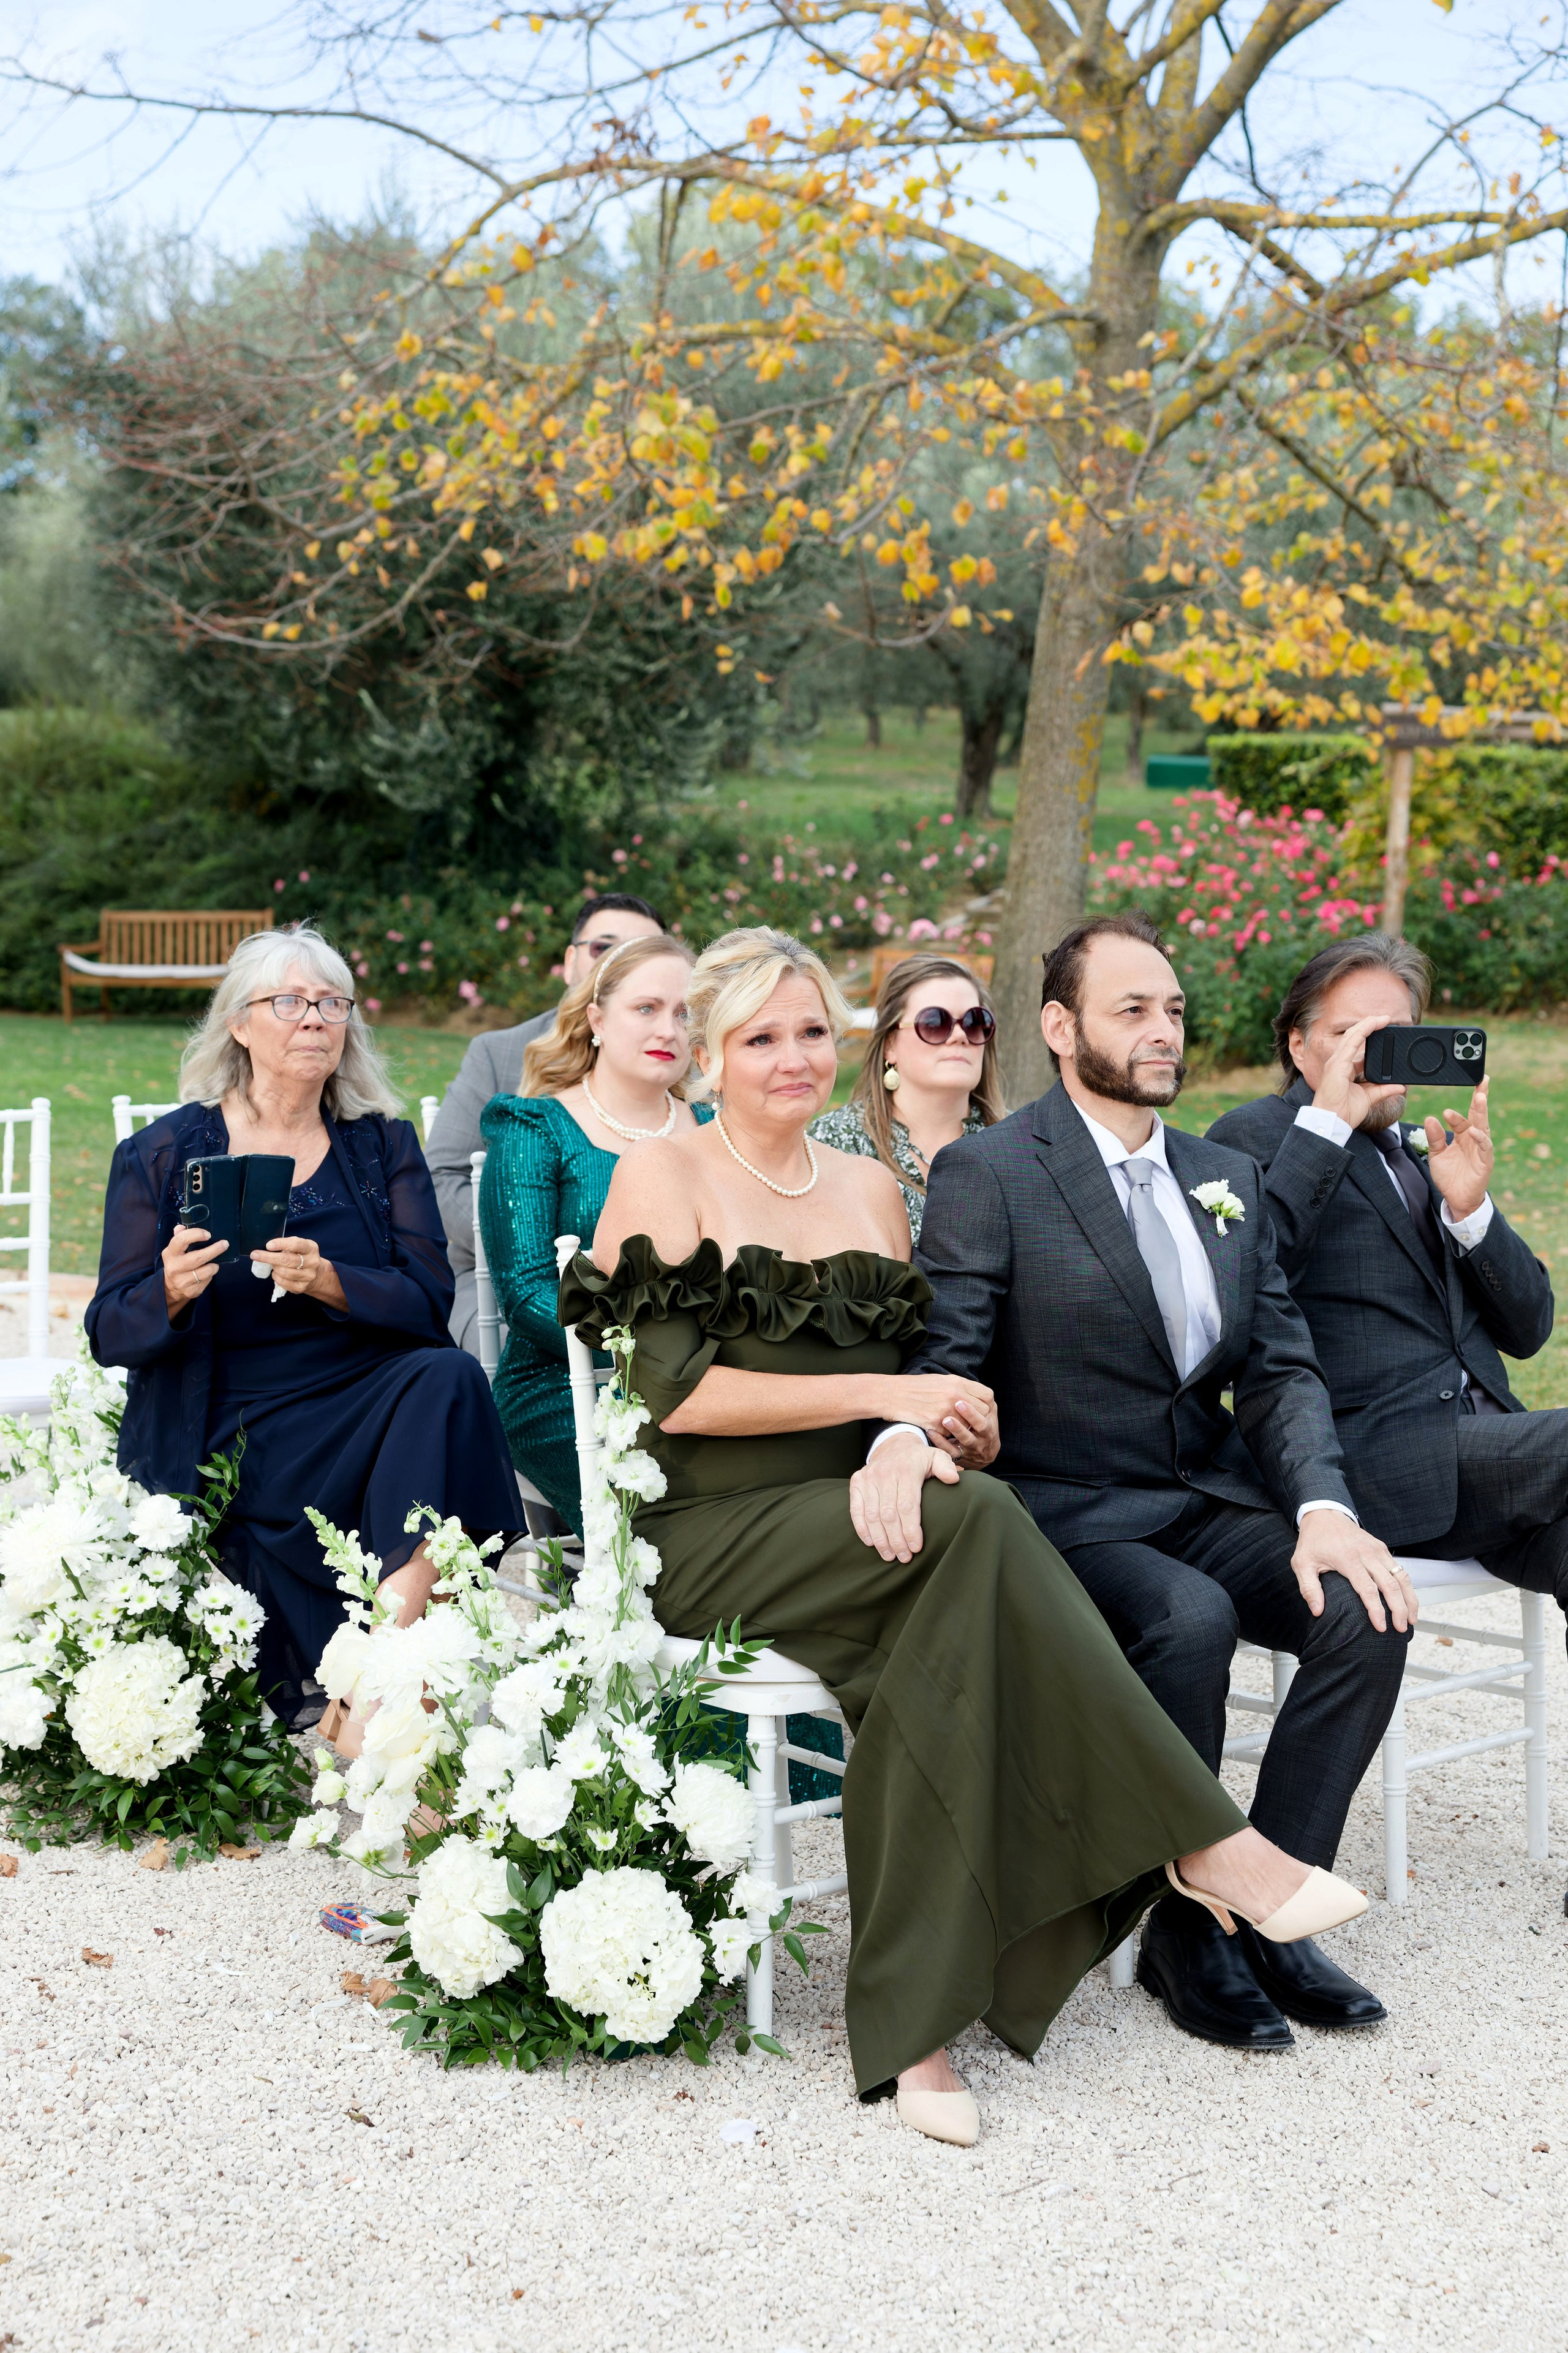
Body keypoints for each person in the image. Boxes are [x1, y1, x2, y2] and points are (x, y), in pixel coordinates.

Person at [562, 923, 1370, 2148]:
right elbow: (681, 1399)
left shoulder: (870, 1190)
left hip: (867, 1515)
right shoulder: (663, 1178)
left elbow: (924, 1381)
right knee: (980, 1525)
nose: (791, 1059)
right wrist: (882, 1406)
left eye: (807, 1034)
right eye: (757, 1038)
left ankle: (916, 2030)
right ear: (707, 1057)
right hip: (713, 1528)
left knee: (942, 1635)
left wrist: (937, 1429)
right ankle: (1205, 1840)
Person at [865, 908, 1415, 2053]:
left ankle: (1259, 1908)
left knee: (1364, 1604)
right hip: (1064, 1510)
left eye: (1172, 1009)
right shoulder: (992, 1172)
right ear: (1061, 1028)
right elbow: (949, 1351)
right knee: (1189, 1616)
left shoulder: (1227, 1175)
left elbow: (1277, 1368)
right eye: (1133, 1010)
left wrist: (1323, 1511)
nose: (1163, 1030)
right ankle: (1175, 1918)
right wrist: (924, 1435)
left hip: (1199, 1497)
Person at [85, 924, 522, 1733]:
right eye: (289, 1000)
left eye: (331, 1002)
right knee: (444, 1417)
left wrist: (328, 1279)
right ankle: (395, 1701)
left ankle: (371, 1677)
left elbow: (431, 1302)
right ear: (240, 1024)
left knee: (450, 1377)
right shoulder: (162, 1152)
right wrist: (172, 1292)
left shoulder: (380, 1146)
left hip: (363, 1399)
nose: (314, 1018)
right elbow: (110, 1330)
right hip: (234, 1421)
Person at [1206, 936, 1564, 1867]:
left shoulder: (1423, 1150)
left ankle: (1277, 1887)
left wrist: (1470, 1213)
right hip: (1369, 1466)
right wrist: (1327, 1122)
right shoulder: (1249, 1140)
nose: (1382, 1053)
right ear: (1298, 1046)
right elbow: (1247, 1288)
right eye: (1354, 1032)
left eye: (1400, 1031)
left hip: (1489, 1463)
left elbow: (1530, 1328)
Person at [478, 932, 709, 1534]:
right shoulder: (537, 1128)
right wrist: (650, 1359)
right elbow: (528, 1294)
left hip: (711, 1378)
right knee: (685, 1505)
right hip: (567, 1381)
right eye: (647, 1009)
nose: (668, 1030)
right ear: (596, 1019)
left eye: (685, 1013)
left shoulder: (717, 1130)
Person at [424, 892, 665, 1351]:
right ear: (570, 960)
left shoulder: (676, 1064)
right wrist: (523, 1241)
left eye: (640, 953)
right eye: (604, 948)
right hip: (497, 1282)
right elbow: (440, 1175)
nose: (619, 964)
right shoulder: (499, 1054)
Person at [809, 953, 1005, 1243]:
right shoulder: (833, 1143)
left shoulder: (1020, 1145)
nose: (960, 1035)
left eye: (975, 1022)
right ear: (890, 1045)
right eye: (936, 1022)